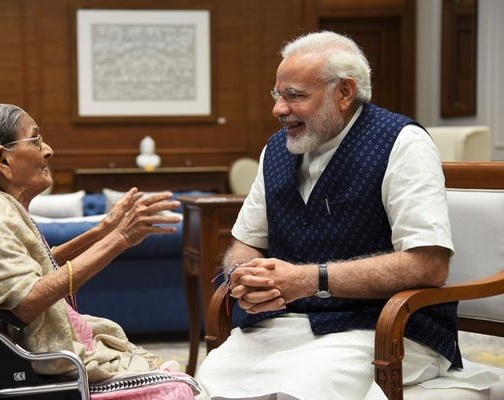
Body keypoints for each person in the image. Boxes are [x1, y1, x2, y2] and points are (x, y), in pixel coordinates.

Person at [195, 31, 497, 400]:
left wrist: (311, 279)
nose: (278, 109)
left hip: (389, 328)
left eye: (295, 96)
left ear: (344, 93)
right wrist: (242, 275)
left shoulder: (403, 144)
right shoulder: (275, 150)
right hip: (288, 324)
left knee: (307, 385)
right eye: (277, 94)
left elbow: (429, 264)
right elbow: (246, 243)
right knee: (210, 380)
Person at [0, 103, 203, 397]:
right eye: (36, 140)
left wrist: (103, 229)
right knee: (177, 389)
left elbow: (38, 268)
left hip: (12, 350)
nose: (48, 151)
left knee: (167, 373)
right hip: (17, 362)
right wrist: (120, 238)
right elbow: (27, 300)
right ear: (2, 159)